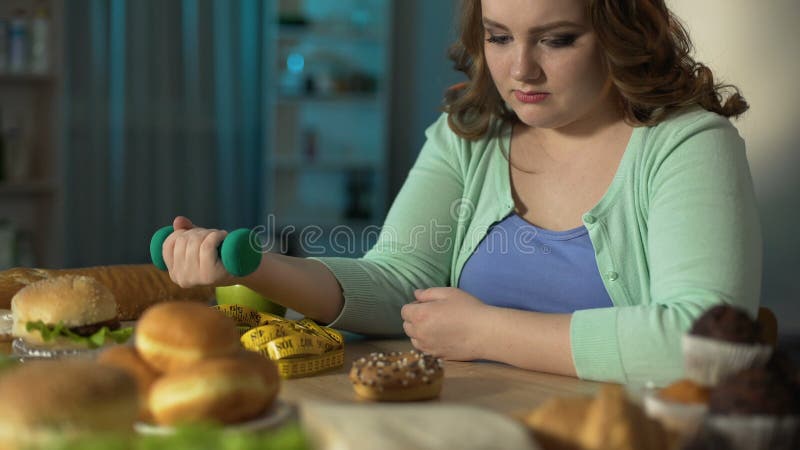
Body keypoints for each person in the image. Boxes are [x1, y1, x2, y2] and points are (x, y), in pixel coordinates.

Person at [162, 0, 761, 385]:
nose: (520, 69)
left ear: (621, 34)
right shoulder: (469, 135)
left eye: (556, 40)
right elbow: (399, 280)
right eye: (499, 37)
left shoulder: (687, 144)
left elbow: (706, 345)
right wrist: (259, 269)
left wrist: (488, 332)